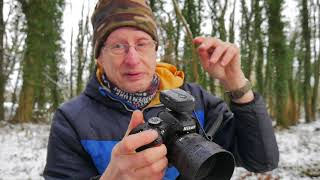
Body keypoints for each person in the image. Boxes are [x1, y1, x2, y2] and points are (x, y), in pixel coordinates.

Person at [43, 0, 279, 179]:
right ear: (99, 57)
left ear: (155, 49)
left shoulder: (195, 100)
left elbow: (261, 161)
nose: (133, 59)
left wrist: (236, 83)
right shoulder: (73, 119)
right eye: (117, 46)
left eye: (142, 43)